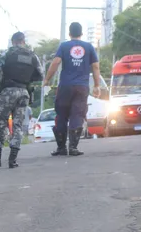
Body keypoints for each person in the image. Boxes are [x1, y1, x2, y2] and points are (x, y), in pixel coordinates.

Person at [0, 31, 43, 168]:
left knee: (0, 123)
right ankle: (12, 160)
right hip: (24, 93)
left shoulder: (6, 54)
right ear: (23, 41)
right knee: (18, 126)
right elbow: (40, 74)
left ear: (13, 41)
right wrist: (27, 79)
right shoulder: (32, 56)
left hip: (7, 92)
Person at [42, 22, 101, 156]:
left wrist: (47, 79)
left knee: (61, 114)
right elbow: (96, 67)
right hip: (82, 87)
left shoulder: (64, 46)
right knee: (77, 114)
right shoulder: (89, 47)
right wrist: (97, 86)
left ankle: (61, 147)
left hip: (65, 86)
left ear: (69, 33)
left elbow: (56, 62)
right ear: (81, 33)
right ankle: (73, 147)